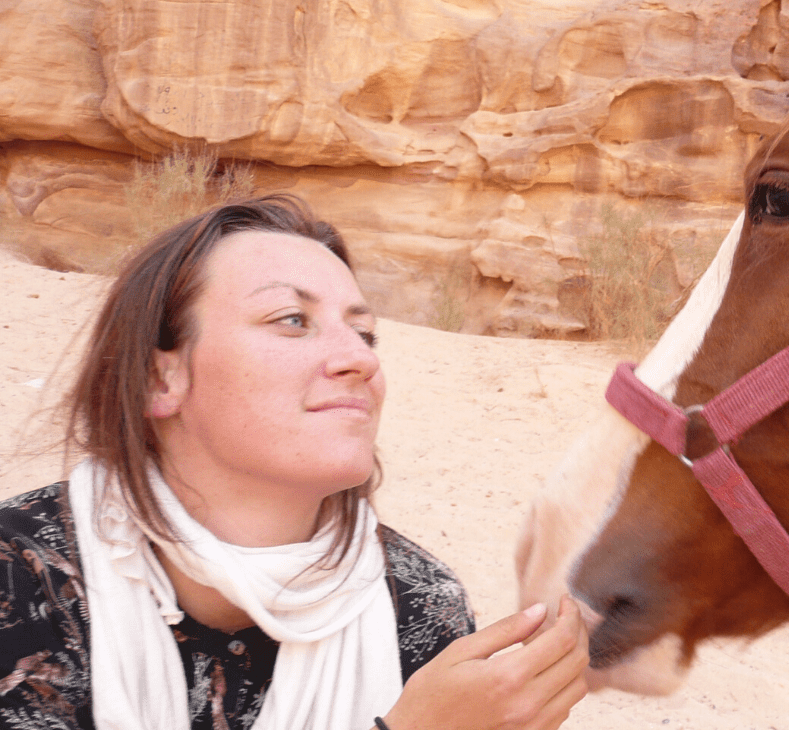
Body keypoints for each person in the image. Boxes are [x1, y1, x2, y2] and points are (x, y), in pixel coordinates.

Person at [0, 194, 589, 730]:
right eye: (292, 320)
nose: (358, 359)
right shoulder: (25, 579)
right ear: (162, 378)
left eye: (364, 333)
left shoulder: (417, 602)